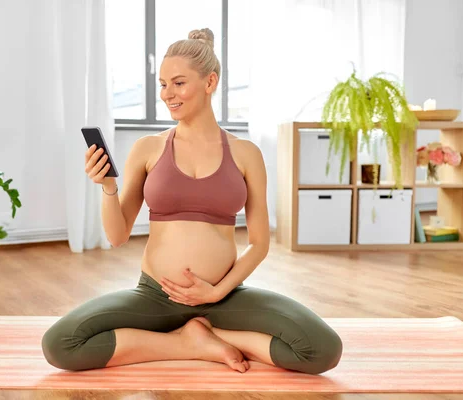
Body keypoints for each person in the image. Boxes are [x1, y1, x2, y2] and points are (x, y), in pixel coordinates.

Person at [42, 28, 342, 375]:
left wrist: (216, 293)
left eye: (179, 83)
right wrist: (108, 187)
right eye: (163, 84)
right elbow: (117, 235)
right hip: (156, 296)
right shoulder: (149, 148)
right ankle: (185, 343)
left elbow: (259, 244)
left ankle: (212, 332)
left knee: (322, 349)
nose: (168, 94)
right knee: (60, 344)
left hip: (225, 297)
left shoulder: (246, 153)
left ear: (210, 82)